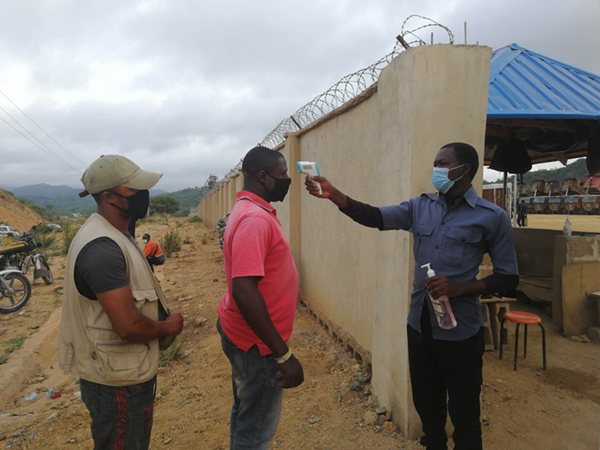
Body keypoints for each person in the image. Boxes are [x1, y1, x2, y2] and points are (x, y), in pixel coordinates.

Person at [305, 143, 519, 450]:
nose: (436, 169)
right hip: (420, 325)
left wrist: (460, 288)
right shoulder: (420, 206)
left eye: (442, 163)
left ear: (464, 170)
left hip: (461, 332)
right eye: (435, 163)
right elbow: (375, 217)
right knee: (427, 406)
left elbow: (508, 277)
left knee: (465, 412)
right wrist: (333, 194)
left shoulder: (491, 217)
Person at [58, 155, 184, 450]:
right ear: (109, 198)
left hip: (123, 373)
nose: (144, 194)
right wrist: (169, 326)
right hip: (116, 384)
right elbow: (128, 326)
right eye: (135, 189)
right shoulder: (103, 249)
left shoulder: (116, 234)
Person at [217, 146, 304, 449]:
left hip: (246, 336)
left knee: (247, 412)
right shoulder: (254, 220)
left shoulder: (250, 210)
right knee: (255, 432)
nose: (287, 179)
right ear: (263, 177)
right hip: (258, 345)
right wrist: (282, 354)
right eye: (283, 174)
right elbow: (244, 289)